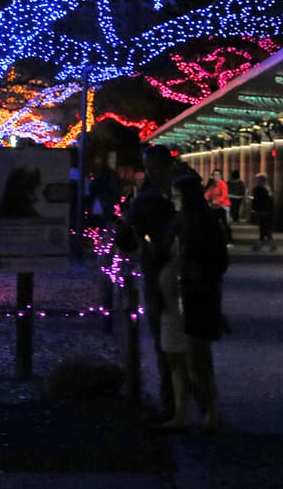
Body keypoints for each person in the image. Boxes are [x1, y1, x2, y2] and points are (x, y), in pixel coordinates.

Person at [157, 172, 228, 432]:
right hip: (173, 297)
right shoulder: (178, 223)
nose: (174, 200)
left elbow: (217, 261)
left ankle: (210, 412)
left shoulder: (203, 224)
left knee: (196, 359)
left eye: (177, 196)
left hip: (193, 297)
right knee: (177, 356)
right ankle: (183, 412)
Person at [116, 144, 178, 419]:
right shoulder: (183, 194)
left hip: (159, 272)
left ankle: (173, 403)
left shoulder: (147, 198)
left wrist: (144, 241)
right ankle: (192, 402)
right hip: (187, 275)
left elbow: (126, 236)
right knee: (186, 341)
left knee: (165, 338)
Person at [249, 173, 275, 252]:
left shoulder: (257, 189)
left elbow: (257, 200)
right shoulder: (267, 188)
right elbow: (270, 199)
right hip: (267, 210)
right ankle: (265, 244)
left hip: (261, 211)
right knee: (265, 228)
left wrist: (253, 207)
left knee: (264, 228)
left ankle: (264, 244)